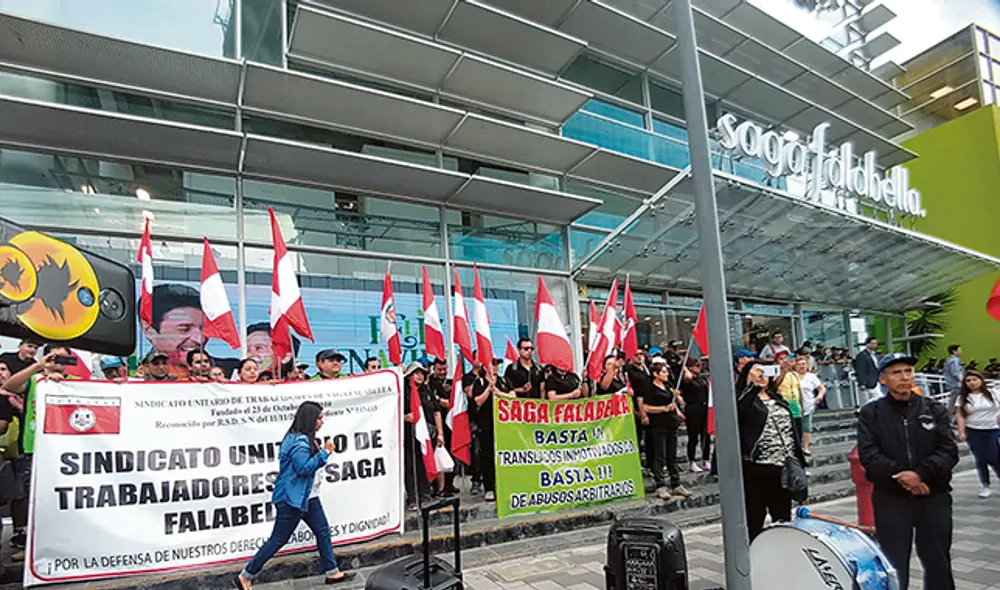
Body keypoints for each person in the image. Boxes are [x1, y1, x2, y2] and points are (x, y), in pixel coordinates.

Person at [857, 352, 957, 590]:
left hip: (933, 495)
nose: (904, 377)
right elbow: (869, 456)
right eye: (896, 372)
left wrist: (921, 474)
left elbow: (948, 450)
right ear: (883, 379)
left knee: (938, 561)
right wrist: (905, 477)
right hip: (892, 498)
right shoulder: (871, 413)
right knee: (893, 562)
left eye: (908, 371)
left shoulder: (934, 409)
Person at [235, 402, 353, 588]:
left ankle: (332, 572)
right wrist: (325, 453)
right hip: (293, 499)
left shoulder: (300, 437)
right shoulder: (300, 442)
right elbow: (303, 468)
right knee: (278, 539)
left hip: (307, 496)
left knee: (322, 531)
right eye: (319, 418)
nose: (322, 421)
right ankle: (246, 575)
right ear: (310, 419)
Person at [1, 345, 77, 557]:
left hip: (67, 452)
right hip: (34, 449)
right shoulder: (34, 380)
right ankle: (33, 551)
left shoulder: (76, 383)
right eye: (55, 357)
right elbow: (10, 385)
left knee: (63, 501)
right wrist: (39, 367)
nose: (59, 362)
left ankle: (64, 544)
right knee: (33, 502)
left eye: (65, 358)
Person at [736, 360, 807, 540]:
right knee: (754, 518)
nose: (762, 376)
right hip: (757, 468)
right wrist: (753, 388)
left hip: (782, 467)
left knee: (782, 518)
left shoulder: (777, 398)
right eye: (756, 371)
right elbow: (740, 412)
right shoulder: (744, 398)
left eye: (764, 372)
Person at [642, 359, 691, 500]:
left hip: (671, 423)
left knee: (672, 455)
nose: (667, 374)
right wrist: (663, 409)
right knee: (660, 455)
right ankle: (660, 485)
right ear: (656, 374)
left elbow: (676, 402)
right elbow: (645, 407)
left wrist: (677, 399)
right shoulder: (651, 389)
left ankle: (676, 483)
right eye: (663, 372)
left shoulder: (668, 385)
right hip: (658, 424)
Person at [471, 358, 515, 502]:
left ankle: (503, 485)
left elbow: (513, 397)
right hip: (486, 425)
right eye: (493, 364)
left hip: (503, 425)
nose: (496, 367)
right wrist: (489, 389)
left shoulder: (504, 381)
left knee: (503, 456)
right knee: (487, 457)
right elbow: (477, 400)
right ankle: (489, 487)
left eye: (497, 364)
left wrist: (499, 393)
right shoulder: (479, 382)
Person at [140, 284, 206, 379]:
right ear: (149, 331)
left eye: (203, 329)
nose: (200, 339)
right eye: (184, 329)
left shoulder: (225, 369)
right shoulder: (134, 372)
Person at [955, 369, 1000, 498]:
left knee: (994, 456)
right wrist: (961, 432)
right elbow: (961, 416)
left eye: (974, 379)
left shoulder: (993, 393)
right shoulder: (963, 398)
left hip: (993, 429)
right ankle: (985, 485)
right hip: (974, 431)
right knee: (980, 459)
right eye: (968, 381)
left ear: (981, 380)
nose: (972, 383)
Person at [404, 362, 442, 510]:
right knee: (411, 466)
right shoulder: (403, 393)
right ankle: (413, 498)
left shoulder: (427, 391)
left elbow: (436, 412)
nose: (419, 376)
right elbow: (391, 413)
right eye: (416, 373)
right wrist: (404, 417)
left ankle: (426, 495)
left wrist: (440, 433)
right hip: (409, 435)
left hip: (427, 435)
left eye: (422, 373)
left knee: (425, 464)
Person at [681, 358, 711, 473]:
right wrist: (685, 367)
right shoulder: (688, 379)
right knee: (693, 436)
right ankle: (692, 461)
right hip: (693, 408)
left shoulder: (701, 378)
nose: (699, 367)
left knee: (706, 435)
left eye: (700, 365)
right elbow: (687, 377)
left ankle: (706, 459)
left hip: (704, 407)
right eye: (696, 365)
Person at [795, 356, 825, 456]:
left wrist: (819, 396)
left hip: (807, 404)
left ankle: (806, 447)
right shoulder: (792, 376)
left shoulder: (811, 377)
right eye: (799, 364)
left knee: (807, 427)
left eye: (803, 364)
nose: (801, 366)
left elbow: (821, 388)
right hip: (794, 404)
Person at [776, 352, 804, 445]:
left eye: (786, 358)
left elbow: (799, 390)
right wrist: (783, 370)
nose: (784, 361)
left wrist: (802, 406)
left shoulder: (794, 374)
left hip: (795, 407)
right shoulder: (776, 374)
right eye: (781, 359)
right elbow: (774, 386)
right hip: (784, 406)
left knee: (798, 434)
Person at [853, 336, 880, 401]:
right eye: (873, 343)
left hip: (876, 381)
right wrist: (862, 383)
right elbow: (860, 370)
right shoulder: (862, 355)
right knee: (873, 400)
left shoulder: (874, 355)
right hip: (868, 382)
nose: (875, 345)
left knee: (876, 399)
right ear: (867, 344)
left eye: (876, 343)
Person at [943, 344, 964, 416]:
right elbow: (956, 373)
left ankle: (954, 418)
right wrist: (963, 382)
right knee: (954, 402)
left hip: (954, 384)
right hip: (956, 384)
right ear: (954, 351)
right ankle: (950, 419)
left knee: (956, 402)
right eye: (959, 349)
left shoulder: (951, 360)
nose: (961, 351)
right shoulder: (954, 360)